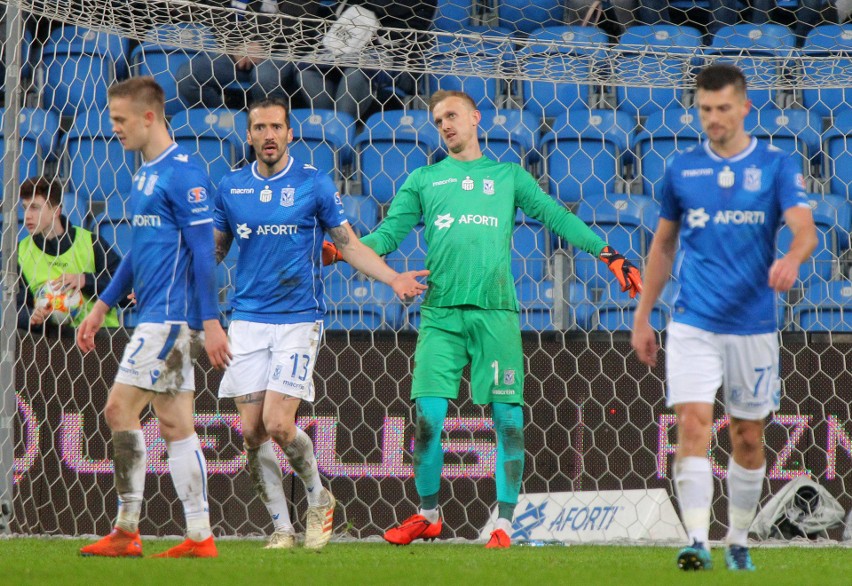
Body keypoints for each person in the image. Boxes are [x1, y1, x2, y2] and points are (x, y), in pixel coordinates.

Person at [325, 90, 643, 548]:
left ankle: (504, 524)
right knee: (427, 420)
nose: (445, 126)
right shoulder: (424, 179)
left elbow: (555, 216)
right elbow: (387, 235)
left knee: (508, 421)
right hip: (440, 314)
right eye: (437, 121)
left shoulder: (508, 176)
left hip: (495, 313)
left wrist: (608, 254)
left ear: (475, 118)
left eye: (452, 116)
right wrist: (340, 251)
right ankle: (428, 514)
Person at [213, 97, 429, 550]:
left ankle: (318, 498)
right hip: (246, 320)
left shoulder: (313, 183)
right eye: (259, 128)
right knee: (251, 433)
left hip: (298, 320)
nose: (269, 135)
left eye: (276, 127)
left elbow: (347, 245)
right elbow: (212, 251)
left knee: (277, 424)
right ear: (248, 135)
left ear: (290, 134)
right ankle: (281, 528)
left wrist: (392, 277)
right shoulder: (230, 187)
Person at [630, 64, 817, 572]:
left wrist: (793, 258)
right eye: (705, 109)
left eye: (722, 109)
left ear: (744, 107)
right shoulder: (682, 169)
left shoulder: (777, 165)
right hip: (694, 321)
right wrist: (644, 316)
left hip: (753, 325)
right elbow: (663, 245)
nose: (712, 118)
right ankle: (696, 539)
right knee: (692, 423)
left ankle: (736, 538)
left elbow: (805, 229)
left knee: (748, 437)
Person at [76, 76, 232, 558]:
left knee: (118, 410)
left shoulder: (185, 172)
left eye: (120, 120)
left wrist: (210, 322)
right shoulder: (144, 171)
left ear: (149, 117)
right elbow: (137, 251)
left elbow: (204, 254)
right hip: (154, 315)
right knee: (175, 425)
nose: (114, 129)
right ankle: (201, 536)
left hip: (167, 319)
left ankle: (126, 529)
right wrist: (101, 305)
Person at [17, 176, 121, 333]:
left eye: (34, 207)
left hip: (101, 338)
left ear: (56, 211)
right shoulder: (21, 252)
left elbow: (126, 289)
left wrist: (85, 280)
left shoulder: (90, 242)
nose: (27, 216)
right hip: (50, 344)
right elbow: (13, 306)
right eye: (25, 208)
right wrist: (32, 316)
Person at [177, 0, 299, 110]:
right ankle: (229, 126)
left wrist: (263, 44)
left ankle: (272, 130)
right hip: (238, 48)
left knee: (263, 78)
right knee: (187, 76)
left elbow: (299, 16)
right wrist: (235, 45)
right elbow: (217, 9)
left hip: (282, 49)